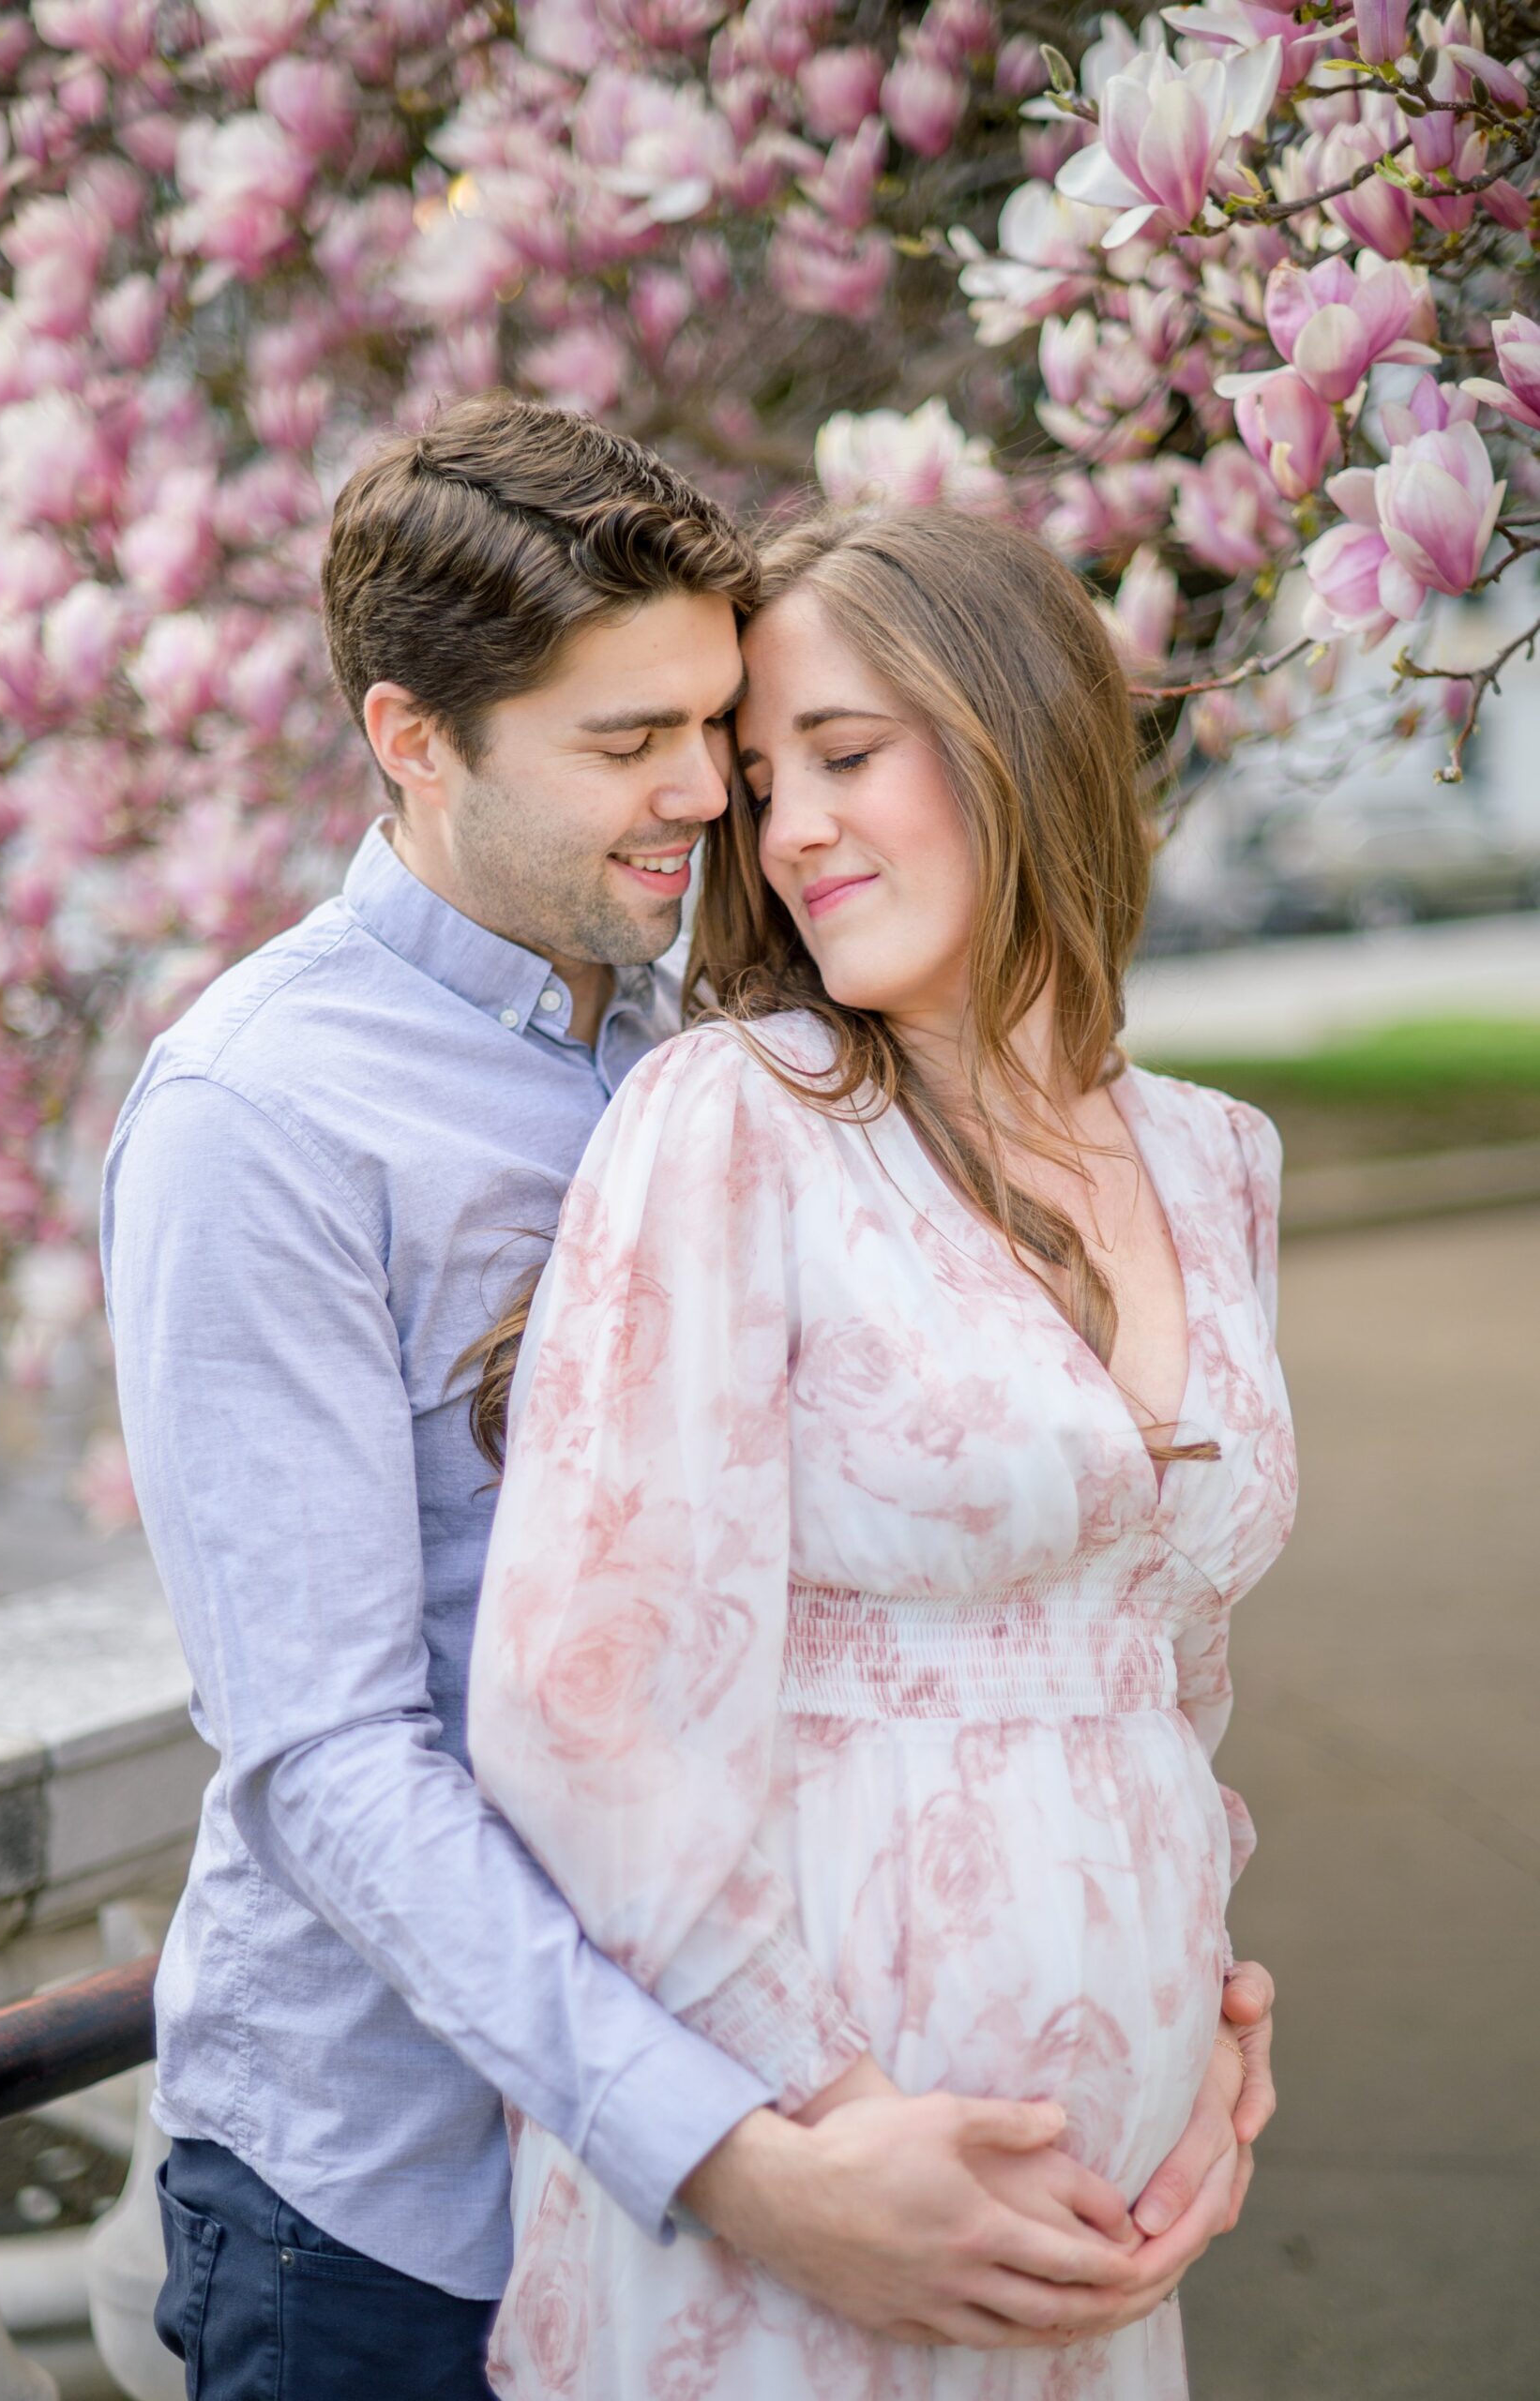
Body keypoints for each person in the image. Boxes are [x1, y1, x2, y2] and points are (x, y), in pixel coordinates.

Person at [102, 398, 1275, 2401]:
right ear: (412, 737)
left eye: (714, 737)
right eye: (625, 745)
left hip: (825, 2175)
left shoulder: (734, 1033)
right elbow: (328, 1751)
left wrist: (1168, 1955)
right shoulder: (262, 1116)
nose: (707, 805)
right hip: (392, 2206)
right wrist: (736, 2152)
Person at [466, 503, 1298, 2398]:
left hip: (1110, 2218)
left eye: (845, 755)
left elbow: (1166, 1663)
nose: (792, 829)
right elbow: (589, 1706)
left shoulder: (1215, 1159)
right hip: (820, 2203)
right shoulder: (736, 1123)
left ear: (1022, 731)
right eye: (765, 784)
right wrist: (827, 2144)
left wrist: (1211, 1995)